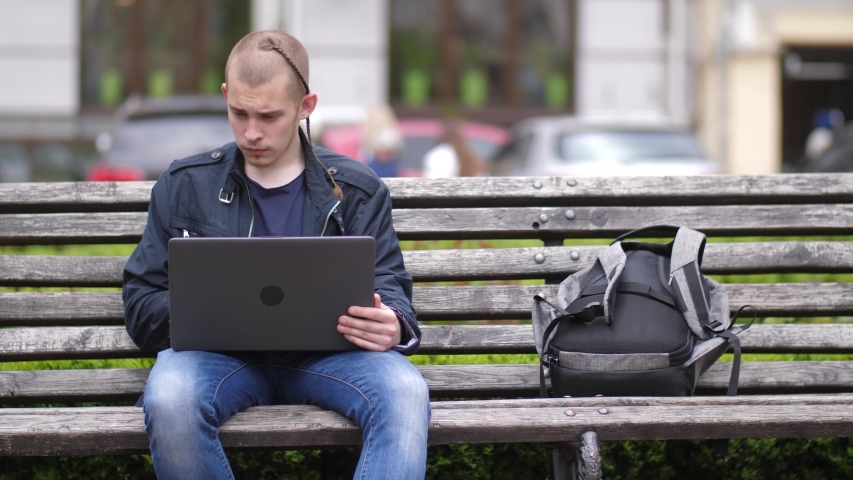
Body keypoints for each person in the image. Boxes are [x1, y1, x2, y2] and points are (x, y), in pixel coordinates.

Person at [122, 30, 430, 480]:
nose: (251, 132)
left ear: (306, 106)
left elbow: (392, 291)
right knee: (170, 396)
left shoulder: (358, 189)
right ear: (225, 95)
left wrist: (393, 324)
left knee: (404, 391)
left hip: (327, 359)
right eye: (239, 112)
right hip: (217, 359)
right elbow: (141, 300)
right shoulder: (184, 184)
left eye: (269, 116)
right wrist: (196, 310)